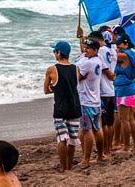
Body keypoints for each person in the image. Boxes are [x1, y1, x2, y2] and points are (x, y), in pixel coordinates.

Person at [44, 41, 81, 172]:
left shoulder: (52, 69)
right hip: (75, 106)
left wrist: (54, 88)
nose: (54, 54)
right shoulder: (76, 68)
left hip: (60, 108)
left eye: (55, 51)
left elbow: (46, 90)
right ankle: (69, 166)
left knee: (62, 138)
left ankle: (63, 166)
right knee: (72, 139)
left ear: (59, 53)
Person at [76, 37, 104, 165]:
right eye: (85, 48)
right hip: (96, 100)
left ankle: (86, 159)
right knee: (97, 129)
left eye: (88, 49)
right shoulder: (98, 60)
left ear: (95, 50)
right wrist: (81, 41)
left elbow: (77, 77)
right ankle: (100, 155)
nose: (85, 50)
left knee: (86, 130)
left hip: (86, 101)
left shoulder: (87, 63)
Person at [91, 29, 117, 157]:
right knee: (110, 123)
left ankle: (105, 150)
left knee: (104, 123)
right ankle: (109, 149)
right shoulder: (112, 51)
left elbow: (106, 71)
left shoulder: (100, 52)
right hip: (111, 91)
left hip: (103, 91)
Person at [114, 33, 135, 152]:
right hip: (131, 87)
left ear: (126, 43)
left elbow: (109, 56)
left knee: (124, 119)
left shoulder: (124, 56)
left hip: (125, 90)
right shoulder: (132, 54)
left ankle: (126, 146)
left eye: (119, 44)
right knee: (130, 119)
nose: (117, 46)